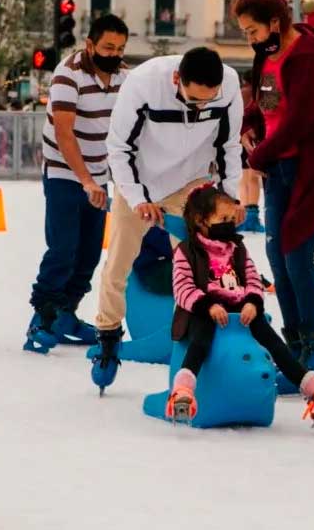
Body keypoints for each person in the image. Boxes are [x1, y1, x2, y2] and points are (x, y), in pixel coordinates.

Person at [91, 46, 244, 391]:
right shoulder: (143, 84)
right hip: (140, 180)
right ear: (177, 80)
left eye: (209, 101)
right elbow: (118, 149)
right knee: (118, 262)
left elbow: (229, 146)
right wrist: (138, 199)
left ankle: (199, 338)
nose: (201, 107)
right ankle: (108, 334)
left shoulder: (230, 85)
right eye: (193, 100)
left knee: (201, 265)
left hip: (190, 182)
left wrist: (230, 197)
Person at [165, 184, 314, 426]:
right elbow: (182, 288)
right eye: (221, 218)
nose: (228, 223)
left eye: (230, 218)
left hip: (242, 311)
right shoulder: (187, 251)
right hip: (205, 312)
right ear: (200, 220)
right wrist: (208, 306)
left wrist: (252, 302)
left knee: (276, 346)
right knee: (201, 342)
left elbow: (252, 279)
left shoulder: (236, 248)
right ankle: (183, 392)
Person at [236, 0, 314, 393]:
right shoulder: (266, 53)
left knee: (296, 255)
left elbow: (301, 119)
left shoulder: (308, 58)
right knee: (276, 257)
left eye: (252, 30)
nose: (249, 38)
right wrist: (250, 126)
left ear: (275, 23)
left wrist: (258, 156)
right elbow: (261, 102)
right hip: (278, 164)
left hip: (311, 169)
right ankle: (296, 355)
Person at [24, 14, 129, 354]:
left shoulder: (125, 78)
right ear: (90, 44)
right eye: (108, 47)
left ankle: (66, 313)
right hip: (64, 172)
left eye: (120, 48)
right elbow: (64, 133)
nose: (114, 54)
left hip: (99, 173)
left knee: (88, 254)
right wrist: (85, 181)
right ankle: (43, 317)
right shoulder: (67, 74)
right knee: (63, 248)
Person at [238, 72, 266, 232]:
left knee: (243, 178)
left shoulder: (240, 93)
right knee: (253, 177)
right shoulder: (257, 95)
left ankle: (244, 216)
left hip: (239, 137)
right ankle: (253, 215)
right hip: (253, 137)